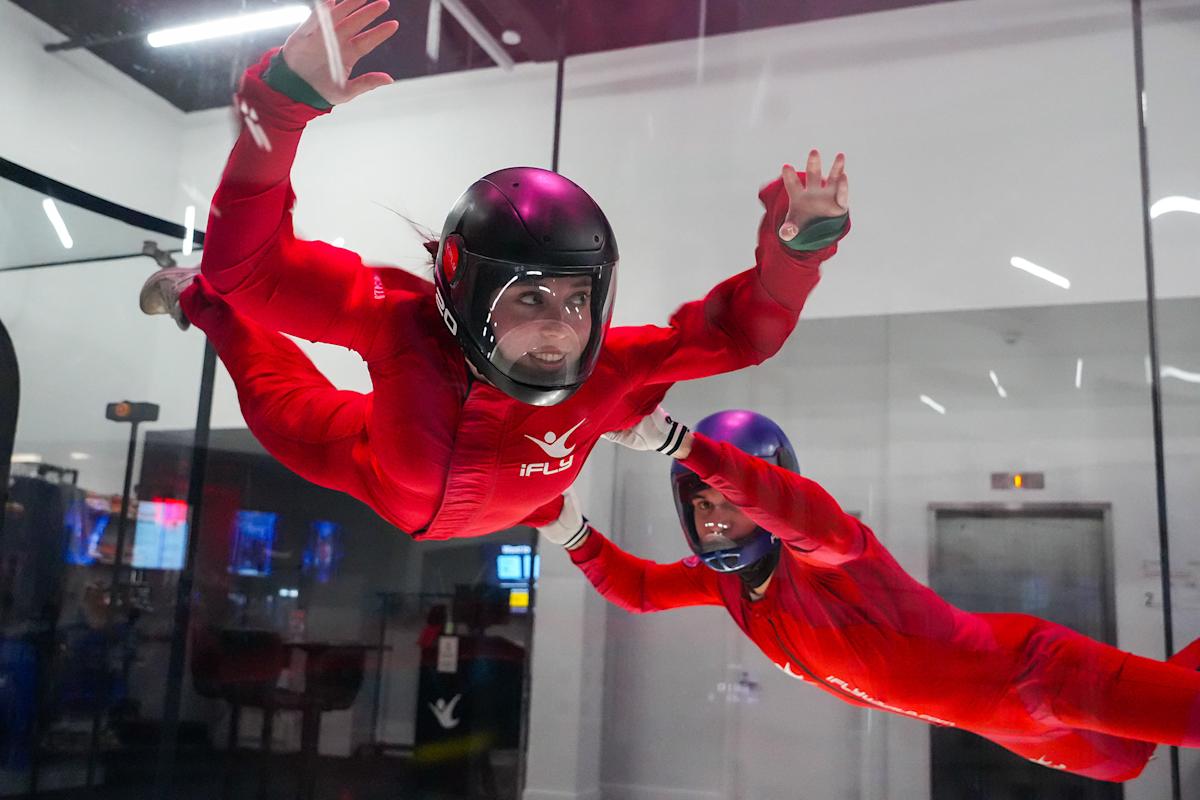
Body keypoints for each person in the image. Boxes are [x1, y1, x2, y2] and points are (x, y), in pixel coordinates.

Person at [139, 0, 851, 540]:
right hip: (370, 469)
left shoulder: (611, 366)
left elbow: (741, 337)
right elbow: (249, 270)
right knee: (261, 371)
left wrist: (795, 252)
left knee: (595, 429)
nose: (559, 327)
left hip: (516, 501)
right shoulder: (401, 322)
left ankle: (597, 450)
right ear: (464, 286)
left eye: (578, 299)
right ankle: (192, 298)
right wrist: (280, 105)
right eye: (531, 295)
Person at [539, 407, 1200, 781]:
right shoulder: (725, 584)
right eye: (701, 503)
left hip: (1045, 675)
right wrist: (565, 524)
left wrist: (680, 443)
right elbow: (641, 590)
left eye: (730, 501)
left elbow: (801, 515)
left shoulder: (836, 557)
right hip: (1007, 729)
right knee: (1130, 763)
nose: (715, 518)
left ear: (767, 494)